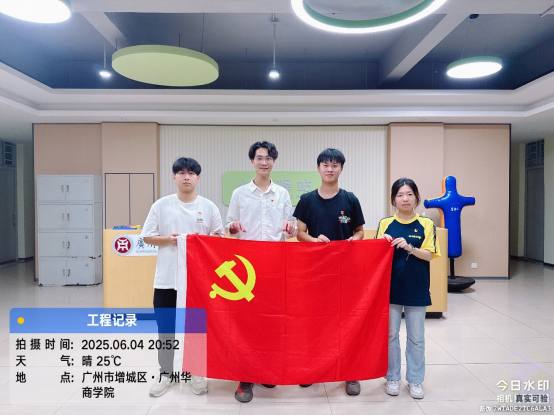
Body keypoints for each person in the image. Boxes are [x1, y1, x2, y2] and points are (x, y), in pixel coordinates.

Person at [141, 157, 224, 397]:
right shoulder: (161, 205)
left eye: (191, 173)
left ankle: (195, 373)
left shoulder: (208, 206)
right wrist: (169, 240)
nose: (186, 177)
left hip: (198, 282)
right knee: (166, 328)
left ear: (199, 178)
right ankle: (166, 374)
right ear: (174, 177)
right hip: (166, 279)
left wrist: (199, 241)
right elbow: (147, 236)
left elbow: (219, 238)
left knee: (195, 328)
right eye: (181, 173)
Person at [226, 141, 297, 403]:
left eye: (268, 158)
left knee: (271, 322)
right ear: (252, 161)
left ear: (273, 162)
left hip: (275, 266)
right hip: (247, 267)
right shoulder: (239, 193)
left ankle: (266, 369)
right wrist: (234, 227)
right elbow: (229, 227)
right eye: (259, 158)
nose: (264, 162)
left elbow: (291, 227)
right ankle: (245, 377)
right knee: (247, 323)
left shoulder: (283, 193)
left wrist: (290, 228)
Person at [294, 148, 365, 396]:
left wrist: (354, 240)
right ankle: (311, 370)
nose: (330, 169)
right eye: (325, 165)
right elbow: (299, 233)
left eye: (335, 165)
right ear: (318, 168)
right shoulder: (307, 200)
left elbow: (359, 231)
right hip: (314, 273)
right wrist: (314, 241)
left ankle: (350, 373)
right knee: (314, 323)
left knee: (346, 322)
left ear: (341, 169)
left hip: (345, 272)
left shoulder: (350, 199)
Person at [376, 178, 440, 400]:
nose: (405, 199)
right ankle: (392, 377)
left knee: (416, 337)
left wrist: (410, 247)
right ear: (393, 199)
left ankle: (415, 380)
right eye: (400, 195)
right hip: (390, 288)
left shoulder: (426, 224)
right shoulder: (385, 223)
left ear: (416, 197)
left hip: (416, 287)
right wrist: (382, 242)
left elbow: (430, 255)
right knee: (390, 335)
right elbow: (374, 254)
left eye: (409, 194)